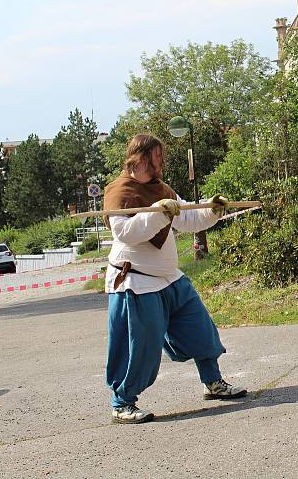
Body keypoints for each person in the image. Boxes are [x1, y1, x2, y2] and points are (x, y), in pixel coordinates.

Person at [103, 134, 247, 424]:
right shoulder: (118, 191)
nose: (161, 162)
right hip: (137, 283)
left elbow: (186, 219)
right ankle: (122, 402)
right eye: (157, 156)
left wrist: (211, 209)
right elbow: (126, 233)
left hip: (170, 279)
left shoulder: (161, 189)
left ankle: (213, 383)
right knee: (139, 348)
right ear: (141, 157)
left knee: (201, 331)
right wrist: (158, 213)